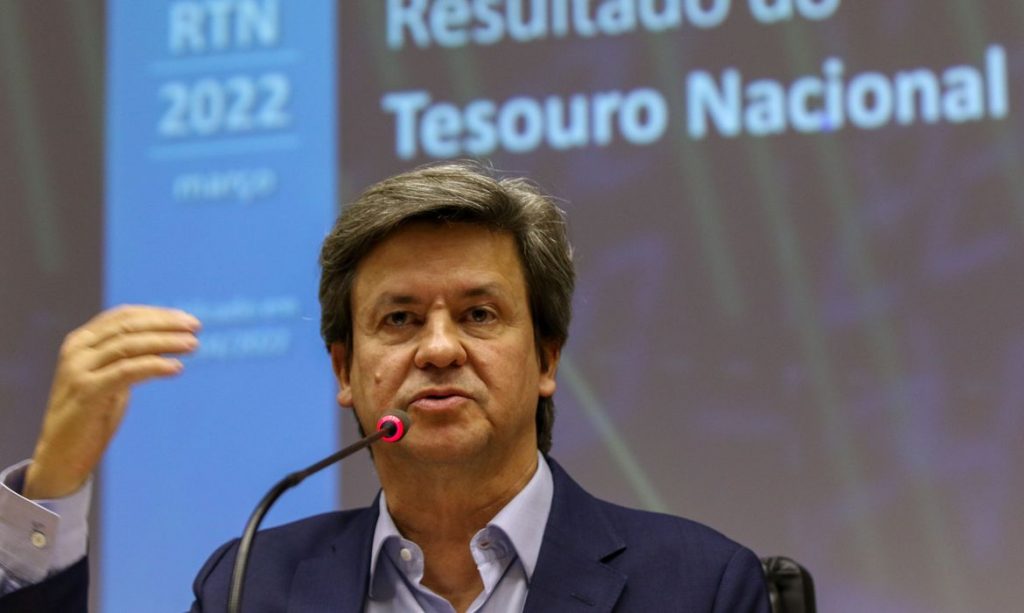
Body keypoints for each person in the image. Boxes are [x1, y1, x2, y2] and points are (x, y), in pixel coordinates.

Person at [0, 162, 770, 612]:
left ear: (546, 359)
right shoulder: (253, 585)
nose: (438, 348)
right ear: (345, 371)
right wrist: (56, 484)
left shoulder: (698, 585)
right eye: (399, 319)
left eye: (478, 314)